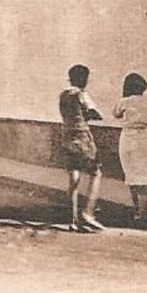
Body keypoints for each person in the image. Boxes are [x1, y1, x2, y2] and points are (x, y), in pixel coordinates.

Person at [113, 72, 147, 224]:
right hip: (144, 138)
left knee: (131, 174)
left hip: (127, 138)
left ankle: (136, 209)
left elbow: (115, 113)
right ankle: (143, 212)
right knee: (145, 175)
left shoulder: (123, 102)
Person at [59, 64, 105, 231]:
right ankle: (88, 212)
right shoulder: (82, 94)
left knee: (73, 178)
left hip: (66, 136)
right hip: (82, 137)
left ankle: (73, 220)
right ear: (84, 79)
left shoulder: (63, 95)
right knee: (96, 173)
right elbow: (94, 114)